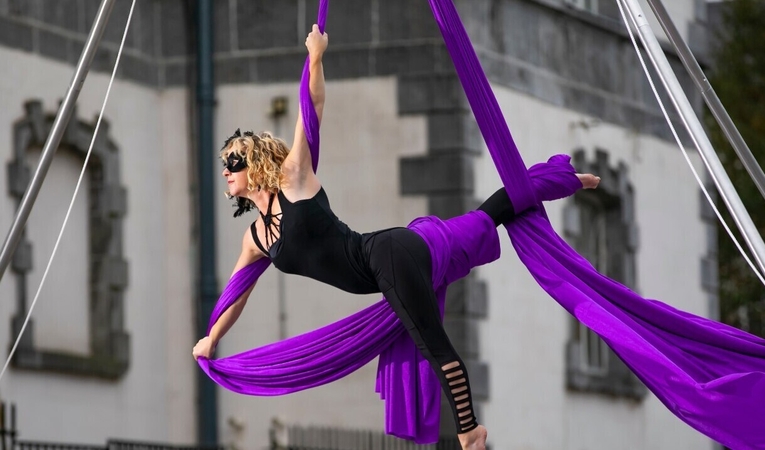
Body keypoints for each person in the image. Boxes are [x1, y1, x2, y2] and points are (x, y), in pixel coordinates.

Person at [192, 24, 600, 450]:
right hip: (397, 254)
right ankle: (562, 178)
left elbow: (311, 106)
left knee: (431, 342)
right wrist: (212, 339)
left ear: (254, 162)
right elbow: (236, 295)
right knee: (485, 217)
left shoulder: (295, 179)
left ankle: (470, 433)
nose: (226, 171)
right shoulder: (255, 237)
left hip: (386, 254)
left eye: (233, 162)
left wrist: (315, 56)